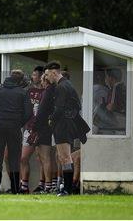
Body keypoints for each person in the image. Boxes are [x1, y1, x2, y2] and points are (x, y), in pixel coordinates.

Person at [43, 61, 90, 196]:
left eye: (47, 74)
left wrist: (51, 120)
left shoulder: (61, 87)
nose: (46, 78)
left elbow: (59, 109)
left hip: (63, 125)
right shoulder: (68, 85)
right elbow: (77, 106)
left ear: (54, 72)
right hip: (67, 124)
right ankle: (67, 188)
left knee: (64, 157)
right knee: (64, 157)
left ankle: (67, 190)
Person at [0, 70, 32, 194]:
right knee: (14, 159)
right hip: (14, 127)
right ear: (20, 80)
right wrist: (19, 123)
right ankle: (16, 189)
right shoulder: (22, 92)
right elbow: (29, 113)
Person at [19, 66, 45, 193]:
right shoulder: (28, 92)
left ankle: (44, 185)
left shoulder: (46, 92)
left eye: (34, 75)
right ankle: (24, 186)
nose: (32, 77)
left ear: (40, 76)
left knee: (43, 158)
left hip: (42, 129)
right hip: (29, 128)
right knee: (23, 158)